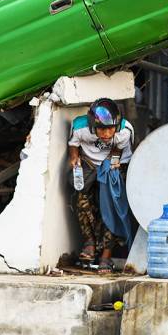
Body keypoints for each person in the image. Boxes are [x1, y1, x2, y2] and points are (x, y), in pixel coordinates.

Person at [67, 98, 134, 273]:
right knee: (81, 199)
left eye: (110, 128)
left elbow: (117, 150)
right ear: (92, 125)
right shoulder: (80, 128)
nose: (106, 133)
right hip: (89, 162)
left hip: (114, 163)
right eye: (101, 129)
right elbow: (73, 144)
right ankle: (89, 243)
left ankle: (106, 255)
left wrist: (111, 165)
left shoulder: (124, 131)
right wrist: (74, 158)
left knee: (111, 207)